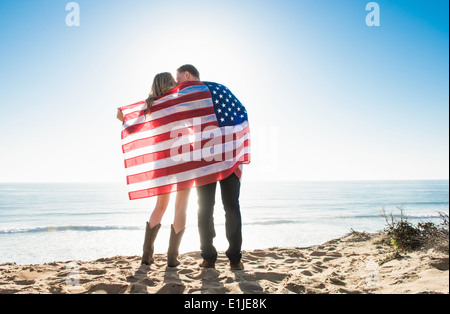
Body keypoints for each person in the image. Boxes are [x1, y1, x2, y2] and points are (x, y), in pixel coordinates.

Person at [117, 72, 191, 267]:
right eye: (174, 80)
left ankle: (146, 255)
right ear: (169, 83)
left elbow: (133, 129)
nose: (176, 82)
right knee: (181, 207)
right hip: (183, 157)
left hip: (162, 160)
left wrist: (122, 119)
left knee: (160, 207)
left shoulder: (150, 105)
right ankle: (172, 258)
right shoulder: (179, 101)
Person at [176, 65, 245, 271]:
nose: (176, 82)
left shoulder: (186, 93)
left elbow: (166, 113)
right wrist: (237, 143)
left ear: (187, 74)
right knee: (231, 206)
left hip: (204, 155)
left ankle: (208, 258)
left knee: (205, 208)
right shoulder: (221, 88)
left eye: (177, 77)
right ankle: (235, 259)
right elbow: (241, 111)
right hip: (230, 154)